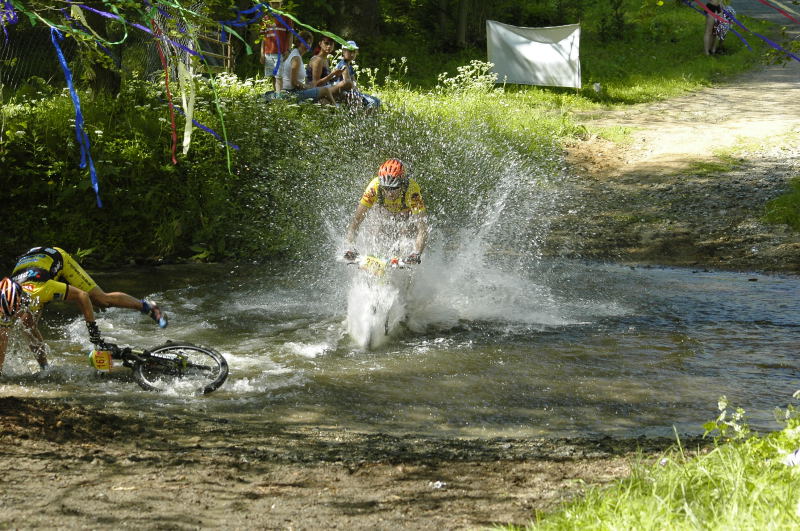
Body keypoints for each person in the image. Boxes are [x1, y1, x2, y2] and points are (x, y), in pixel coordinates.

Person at [0, 246, 168, 374]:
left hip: (56, 258)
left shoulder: (43, 289)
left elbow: (81, 296)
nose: (15, 315)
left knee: (101, 300)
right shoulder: (4, 304)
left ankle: (148, 306)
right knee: (28, 325)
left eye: (16, 310)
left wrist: (93, 331)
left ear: (23, 300)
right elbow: (2, 340)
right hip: (31, 264)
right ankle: (45, 368)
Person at [344, 158, 427, 264]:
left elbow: (422, 228)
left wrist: (416, 253)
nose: (389, 193)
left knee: (406, 238)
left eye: (393, 188)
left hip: (406, 213)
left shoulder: (412, 191)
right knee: (376, 231)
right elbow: (356, 221)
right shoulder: (374, 187)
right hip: (384, 211)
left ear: (402, 183)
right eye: (386, 188)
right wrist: (350, 247)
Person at [281, 30, 337, 104]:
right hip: (291, 93)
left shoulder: (296, 54)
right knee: (325, 90)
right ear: (299, 42)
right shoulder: (296, 58)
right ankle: (337, 109)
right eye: (306, 42)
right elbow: (294, 82)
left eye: (310, 43)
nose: (308, 45)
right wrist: (307, 87)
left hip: (295, 91)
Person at [334, 41, 381, 109]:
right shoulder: (343, 65)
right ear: (343, 51)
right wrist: (357, 93)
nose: (352, 54)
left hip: (351, 92)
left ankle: (368, 118)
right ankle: (364, 118)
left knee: (377, 100)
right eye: (350, 51)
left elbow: (354, 81)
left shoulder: (349, 66)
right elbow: (348, 83)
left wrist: (358, 90)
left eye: (354, 52)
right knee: (372, 102)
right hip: (343, 93)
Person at [259, 0, 293, 91]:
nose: (275, 5)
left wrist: (289, 50)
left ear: (281, 3)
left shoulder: (286, 17)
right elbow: (263, 38)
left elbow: (290, 35)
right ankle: (276, 97)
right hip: (268, 52)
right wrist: (262, 53)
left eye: (277, 3)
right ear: (270, 4)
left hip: (280, 52)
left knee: (279, 76)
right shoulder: (266, 18)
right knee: (273, 76)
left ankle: (279, 99)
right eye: (273, 3)